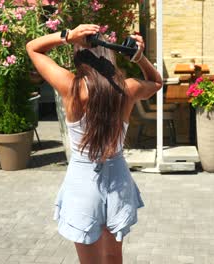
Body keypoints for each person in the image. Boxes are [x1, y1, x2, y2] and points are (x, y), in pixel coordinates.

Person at [26, 24, 162, 264]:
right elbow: (157, 82)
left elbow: (33, 49)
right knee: (113, 257)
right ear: (110, 57)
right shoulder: (127, 88)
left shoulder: (72, 87)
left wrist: (68, 36)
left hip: (83, 180)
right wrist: (139, 57)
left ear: (80, 61)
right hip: (117, 177)